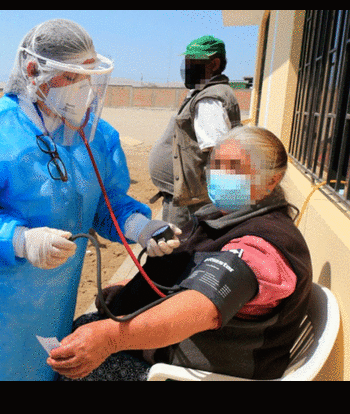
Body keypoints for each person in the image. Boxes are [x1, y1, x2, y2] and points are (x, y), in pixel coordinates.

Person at [0, 18, 181, 381]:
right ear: (33, 71)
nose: (83, 89)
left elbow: (105, 202)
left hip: (56, 297)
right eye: (72, 76)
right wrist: (20, 240)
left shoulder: (95, 136)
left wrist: (139, 226)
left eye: (88, 76)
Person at [48, 126, 313, 381]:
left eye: (234, 168)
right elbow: (187, 273)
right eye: (215, 166)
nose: (219, 175)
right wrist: (130, 287)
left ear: (271, 180)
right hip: (166, 349)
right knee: (77, 333)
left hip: (195, 372)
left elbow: (201, 307)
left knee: (73, 364)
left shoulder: (262, 247)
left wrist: (110, 338)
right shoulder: (222, 218)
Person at [148, 35, 242, 229]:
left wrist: (227, 204)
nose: (187, 66)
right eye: (187, 61)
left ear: (214, 64)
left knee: (180, 250)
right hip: (184, 196)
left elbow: (218, 154)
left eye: (193, 61)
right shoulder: (205, 94)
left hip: (189, 201)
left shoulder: (209, 100)